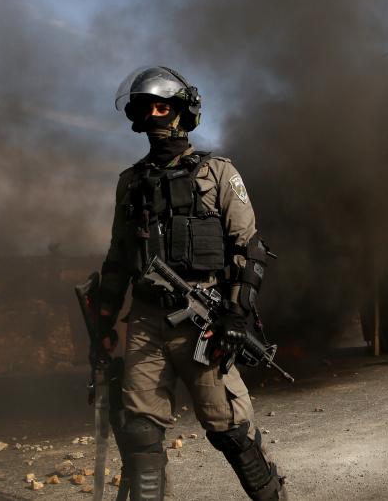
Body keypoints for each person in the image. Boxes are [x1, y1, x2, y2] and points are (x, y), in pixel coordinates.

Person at [95, 66, 285, 501]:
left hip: (204, 322)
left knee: (229, 429)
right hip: (146, 321)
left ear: (183, 112)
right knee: (140, 433)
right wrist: (104, 318)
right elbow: (118, 257)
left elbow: (249, 249)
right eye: (145, 109)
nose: (153, 116)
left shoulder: (218, 172)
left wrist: (236, 315)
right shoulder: (131, 183)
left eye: (162, 107)